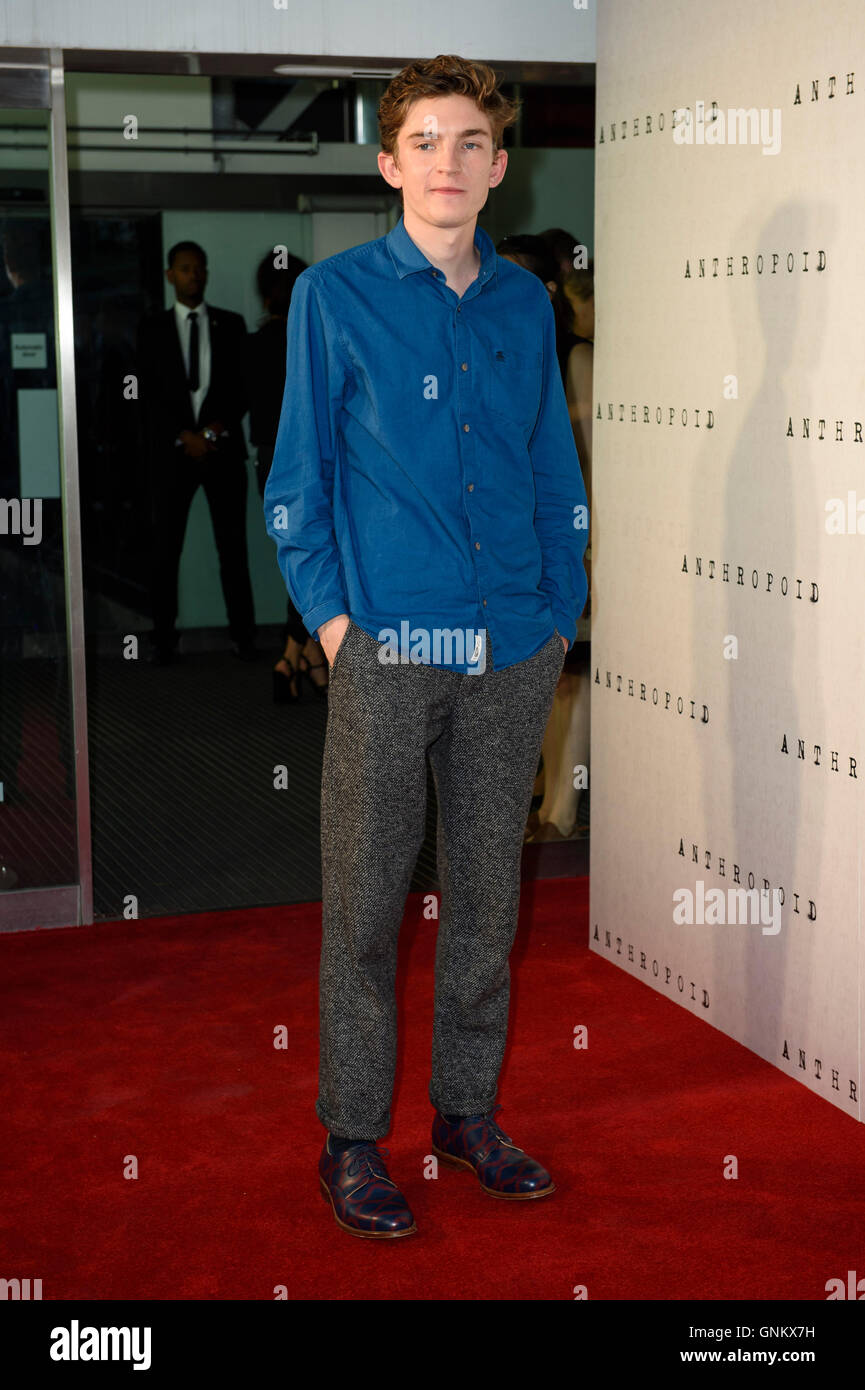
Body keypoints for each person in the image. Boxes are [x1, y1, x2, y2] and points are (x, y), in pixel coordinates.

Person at [264, 53, 588, 1239]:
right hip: (389, 649)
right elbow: (297, 484)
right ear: (389, 160)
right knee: (364, 904)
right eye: (425, 142)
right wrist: (340, 629)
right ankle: (353, 1137)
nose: (447, 163)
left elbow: (554, 468)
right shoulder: (333, 297)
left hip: (513, 645)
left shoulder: (524, 305)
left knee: (487, 901)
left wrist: (561, 603)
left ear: (498, 168)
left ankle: (465, 1112)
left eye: (471, 144)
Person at [137, 241, 257, 664]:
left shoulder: (231, 324)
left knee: (233, 549)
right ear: (171, 275)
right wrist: (182, 435)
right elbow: (146, 395)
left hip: (221, 450)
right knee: (166, 550)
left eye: (200, 269)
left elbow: (245, 388)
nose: (195, 275)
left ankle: (244, 637)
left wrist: (208, 432)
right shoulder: (151, 330)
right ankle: (163, 640)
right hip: (172, 456)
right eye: (186, 269)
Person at [248, 249, 329, 702]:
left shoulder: (251, 343)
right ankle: (292, 654)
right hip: (308, 462)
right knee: (314, 557)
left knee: (298, 558)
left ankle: (305, 658)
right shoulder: (307, 340)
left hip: (267, 462)